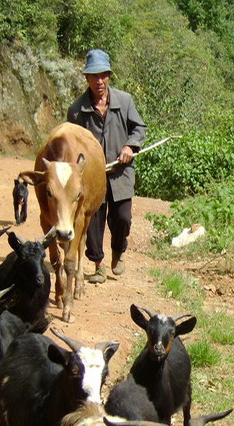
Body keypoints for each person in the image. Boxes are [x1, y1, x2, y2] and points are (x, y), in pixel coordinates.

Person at [67, 48, 147, 283]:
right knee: (93, 221)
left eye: (103, 75)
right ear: (86, 78)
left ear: (109, 76)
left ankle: (118, 251)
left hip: (120, 172)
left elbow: (139, 128)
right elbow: (71, 142)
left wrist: (130, 147)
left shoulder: (124, 101)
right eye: (94, 76)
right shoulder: (77, 109)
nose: (99, 81)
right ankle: (98, 263)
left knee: (122, 218)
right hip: (92, 176)